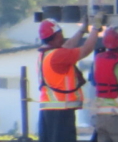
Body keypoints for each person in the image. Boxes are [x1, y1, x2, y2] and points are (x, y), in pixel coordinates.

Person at [38, 13, 104, 142]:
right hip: (60, 111)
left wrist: (82, 30)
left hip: (50, 110)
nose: (62, 37)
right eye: (60, 33)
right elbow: (86, 49)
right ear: (56, 35)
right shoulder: (58, 56)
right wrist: (96, 28)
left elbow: (67, 46)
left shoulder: (47, 54)